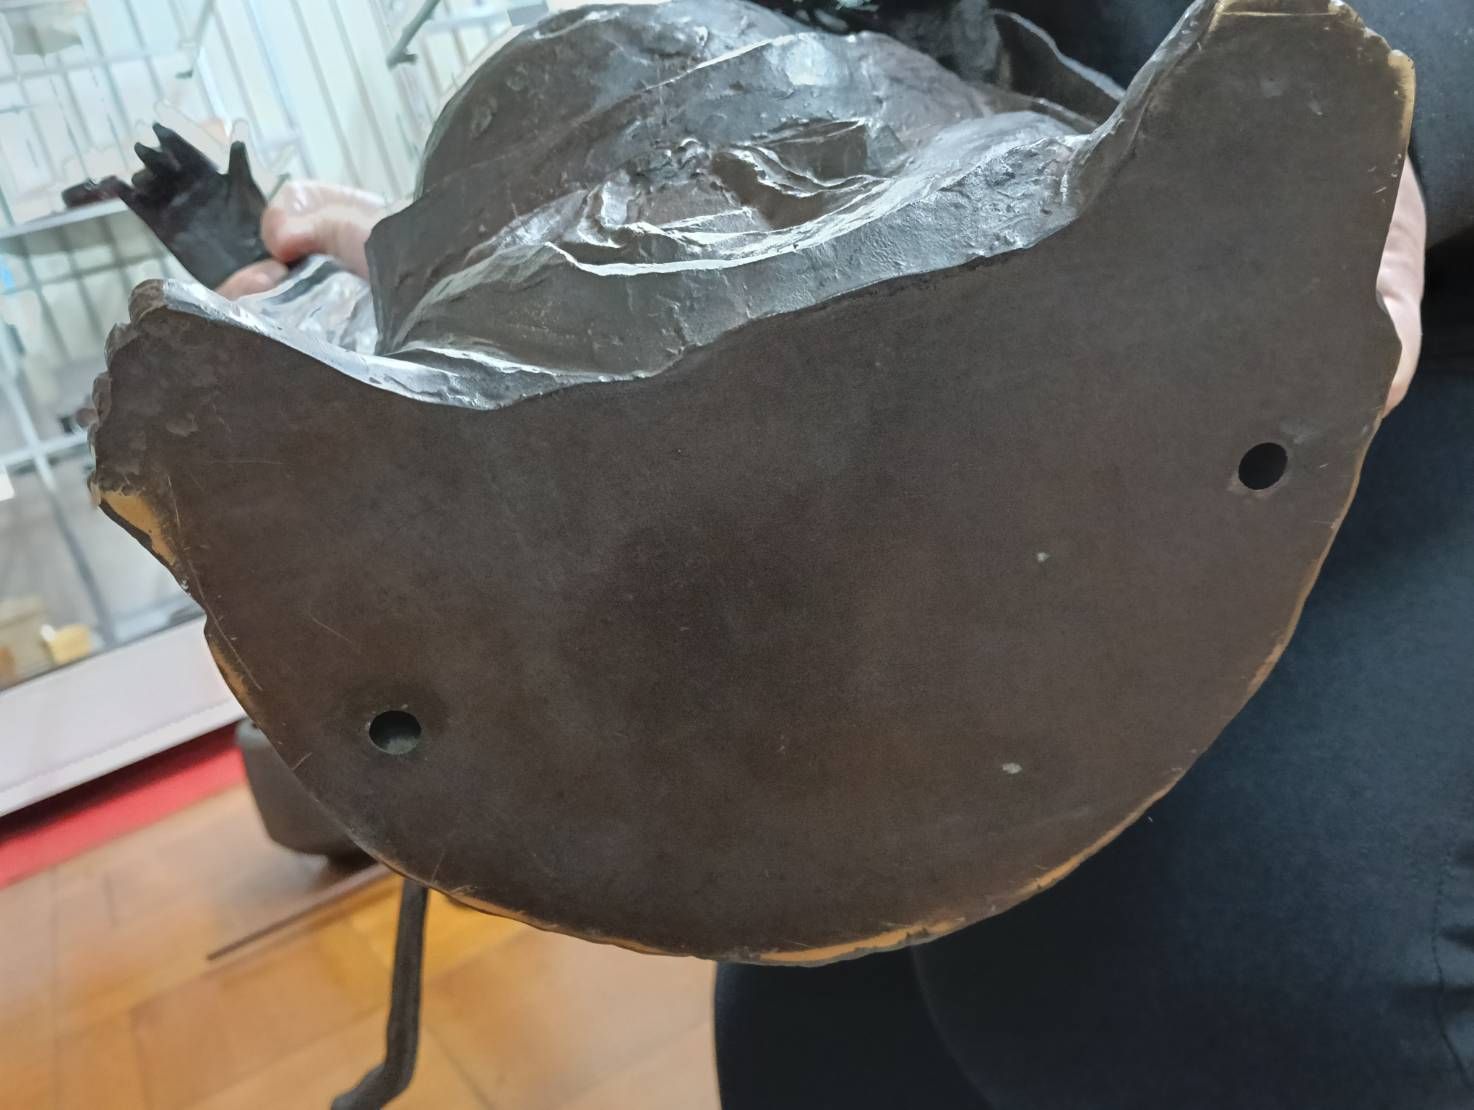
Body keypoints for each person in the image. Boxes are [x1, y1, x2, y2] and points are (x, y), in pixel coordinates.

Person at [218, 2, 1468, 1105]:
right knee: (810, 1024)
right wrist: (467, 260)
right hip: (902, 307)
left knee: (1241, 965)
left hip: (1326, 321)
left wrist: (1386, 124)